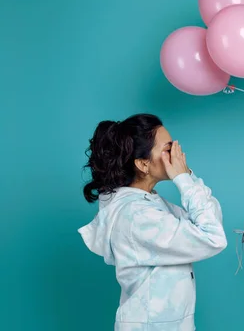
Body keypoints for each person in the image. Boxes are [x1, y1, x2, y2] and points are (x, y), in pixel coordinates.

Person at [78, 113, 227, 331]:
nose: (177, 155)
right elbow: (213, 237)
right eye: (168, 150)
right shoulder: (137, 215)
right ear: (142, 164)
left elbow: (209, 222)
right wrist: (182, 179)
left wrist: (188, 176)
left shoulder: (151, 205)